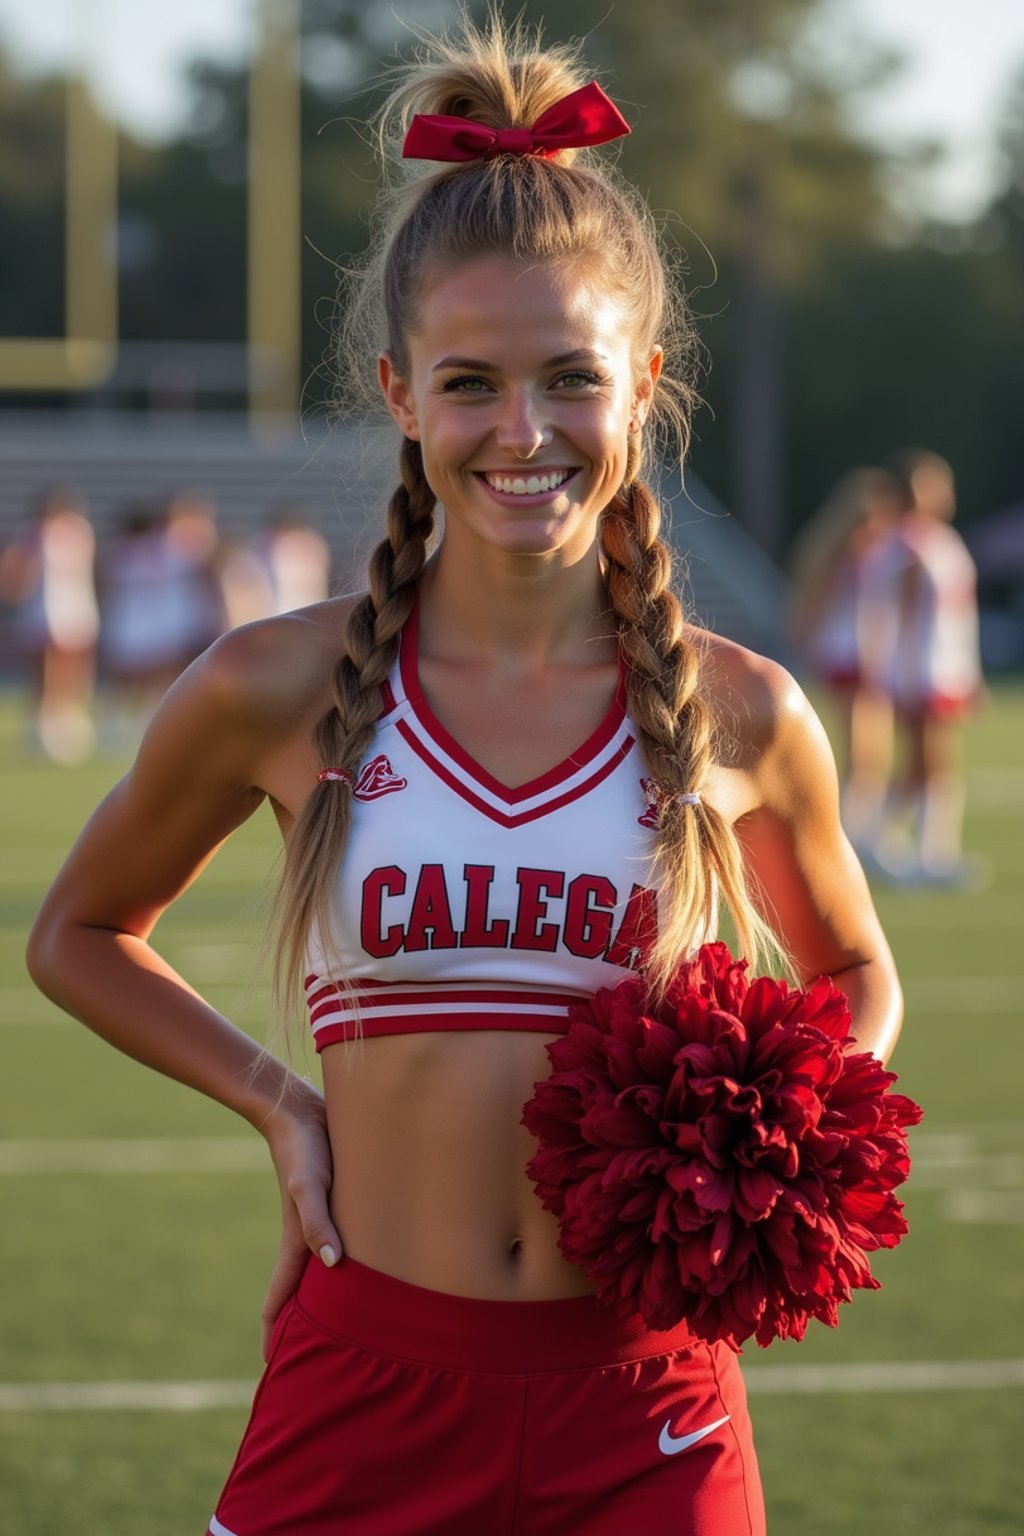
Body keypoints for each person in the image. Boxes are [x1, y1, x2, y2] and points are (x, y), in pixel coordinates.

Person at [27, 18, 902, 1535]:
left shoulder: (746, 714)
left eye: (572, 379)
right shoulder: (278, 684)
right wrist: (280, 1107)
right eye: (474, 383)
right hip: (366, 1381)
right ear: (400, 391)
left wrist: (794, 1115)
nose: (525, 432)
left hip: (651, 1409)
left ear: (646, 381)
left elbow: (853, 968)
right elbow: (79, 935)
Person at [860, 448, 984, 884]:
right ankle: (894, 844)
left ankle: (915, 848)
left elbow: (958, 615)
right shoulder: (907, 544)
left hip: (945, 666)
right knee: (926, 762)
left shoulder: (941, 540)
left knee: (934, 764)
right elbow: (904, 617)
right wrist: (906, 675)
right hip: (920, 671)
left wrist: (971, 674)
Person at [788, 467, 903, 862]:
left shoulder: (847, 547)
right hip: (853, 655)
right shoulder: (856, 550)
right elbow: (853, 611)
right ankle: (855, 835)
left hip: (850, 654)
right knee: (862, 750)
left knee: (868, 748)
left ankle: (862, 830)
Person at [0, 487, 100, 763]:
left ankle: (68, 716)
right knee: (45, 668)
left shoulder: (79, 531)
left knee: (74, 666)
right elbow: (16, 570)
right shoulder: (33, 534)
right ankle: (44, 719)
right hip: (42, 609)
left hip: (74, 606)